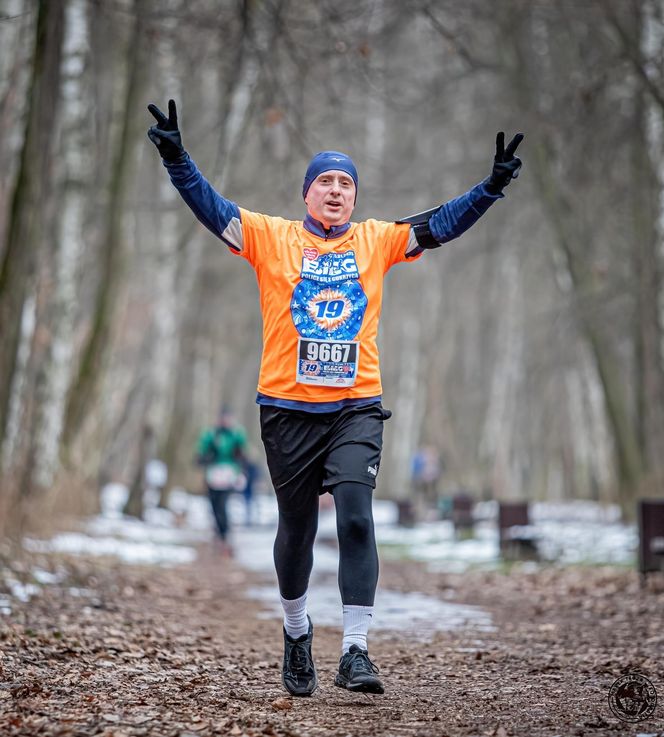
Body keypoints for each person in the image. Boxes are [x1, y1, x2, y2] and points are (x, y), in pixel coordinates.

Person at [148, 99, 523, 696]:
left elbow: (441, 223)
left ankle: (356, 651)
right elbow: (211, 208)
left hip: (355, 406)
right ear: (306, 194)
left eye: (346, 183)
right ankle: (297, 635)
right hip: (287, 408)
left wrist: (491, 188)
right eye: (324, 180)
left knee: (355, 516)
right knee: (295, 528)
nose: (335, 190)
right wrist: (176, 157)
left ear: (355, 198)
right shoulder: (270, 238)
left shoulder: (378, 241)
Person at [196, 405, 248, 557]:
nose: (226, 421)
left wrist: (241, 461)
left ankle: (224, 534)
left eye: (228, 418)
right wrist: (204, 457)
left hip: (229, 473)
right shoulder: (211, 434)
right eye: (223, 418)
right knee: (214, 504)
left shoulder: (237, 434)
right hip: (213, 473)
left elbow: (243, 454)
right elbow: (200, 453)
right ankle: (219, 532)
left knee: (223, 504)